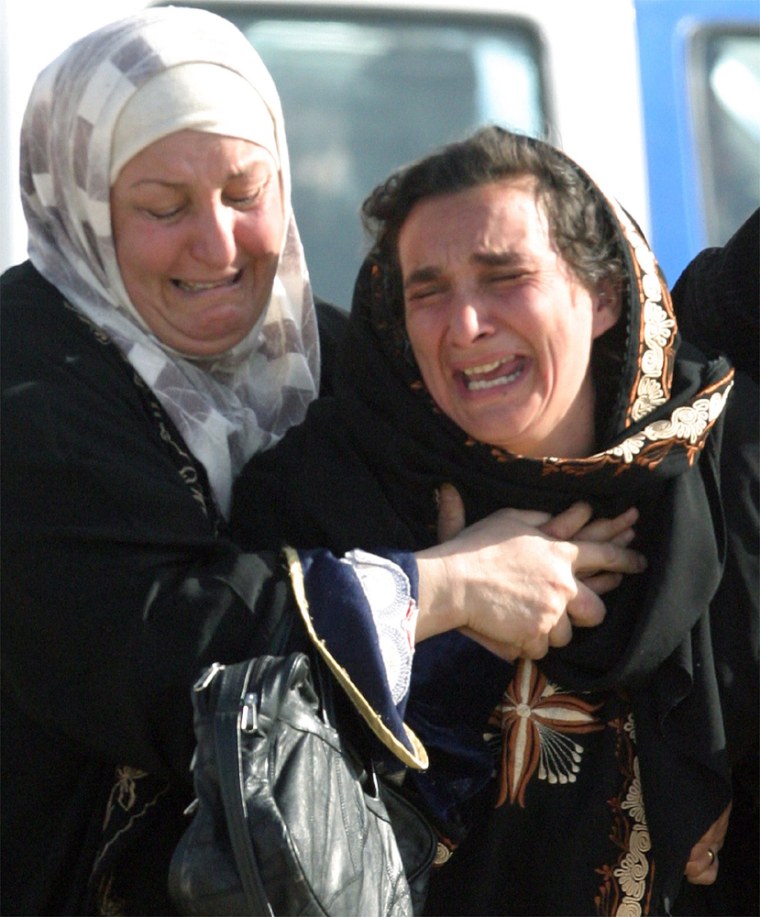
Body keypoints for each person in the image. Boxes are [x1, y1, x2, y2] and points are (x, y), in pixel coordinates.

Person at [0, 11, 649, 915]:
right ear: (80, 209)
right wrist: (443, 587)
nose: (218, 244)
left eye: (246, 191)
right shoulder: (27, 384)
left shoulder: (335, 364)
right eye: (163, 207)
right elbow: (157, 657)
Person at [232, 126, 759, 915]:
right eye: (427, 291)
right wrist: (447, 599)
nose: (466, 324)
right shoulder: (327, 496)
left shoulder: (720, 468)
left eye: (505, 277)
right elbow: (256, 771)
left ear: (602, 296)